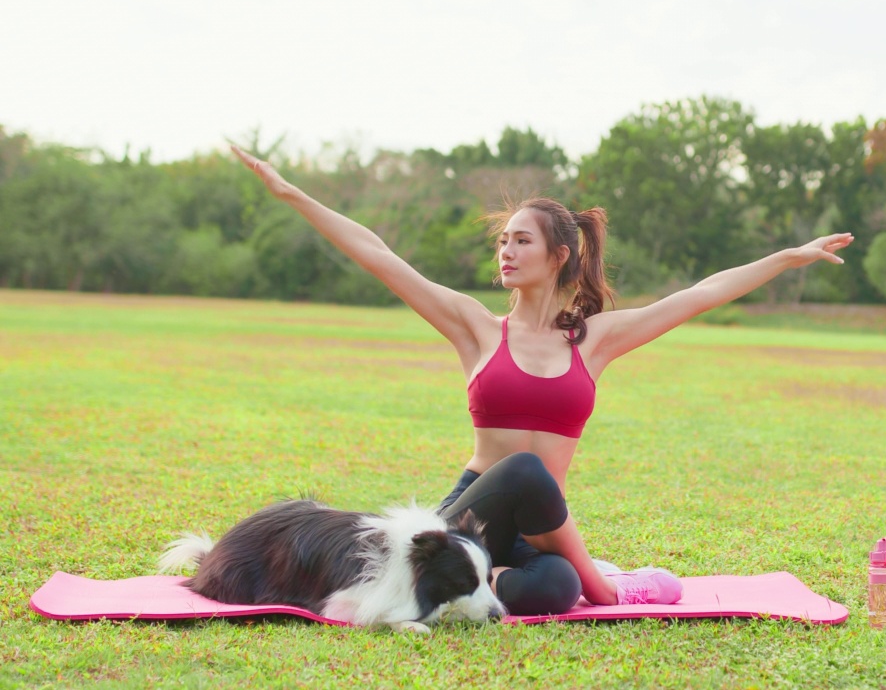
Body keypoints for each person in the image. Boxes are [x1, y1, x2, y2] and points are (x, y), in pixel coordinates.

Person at [231, 145, 853, 615]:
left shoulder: (596, 339)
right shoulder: (475, 327)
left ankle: (500, 579)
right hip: (471, 516)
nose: (505, 250)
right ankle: (604, 584)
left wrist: (788, 257)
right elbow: (380, 256)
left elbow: (698, 295)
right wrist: (292, 194)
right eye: (502, 240)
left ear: (559, 256)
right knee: (526, 470)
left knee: (554, 591)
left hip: (539, 531)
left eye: (520, 240)